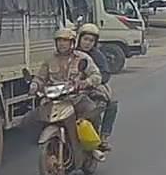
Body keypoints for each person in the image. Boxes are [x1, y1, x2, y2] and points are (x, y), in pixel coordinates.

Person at [30, 27, 104, 158]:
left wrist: (86, 82)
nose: (62, 44)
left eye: (65, 41)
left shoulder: (82, 58)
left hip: (76, 98)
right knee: (30, 119)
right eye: (59, 41)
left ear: (72, 43)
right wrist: (34, 85)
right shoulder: (49, 60)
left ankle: (94, 145)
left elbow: (96, 75)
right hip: (54, 100)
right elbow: (40, 77)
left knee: (92, 111)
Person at [76, 23, 118, 152]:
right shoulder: (70, 53)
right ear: (79, 38)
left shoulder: (98, 56)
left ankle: (103, 137)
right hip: (70, 88)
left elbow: (105, 74)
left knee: (111, 104)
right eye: (85, 39)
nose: (87, 43)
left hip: (91, 88)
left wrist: (91, 82)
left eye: (91, 41)